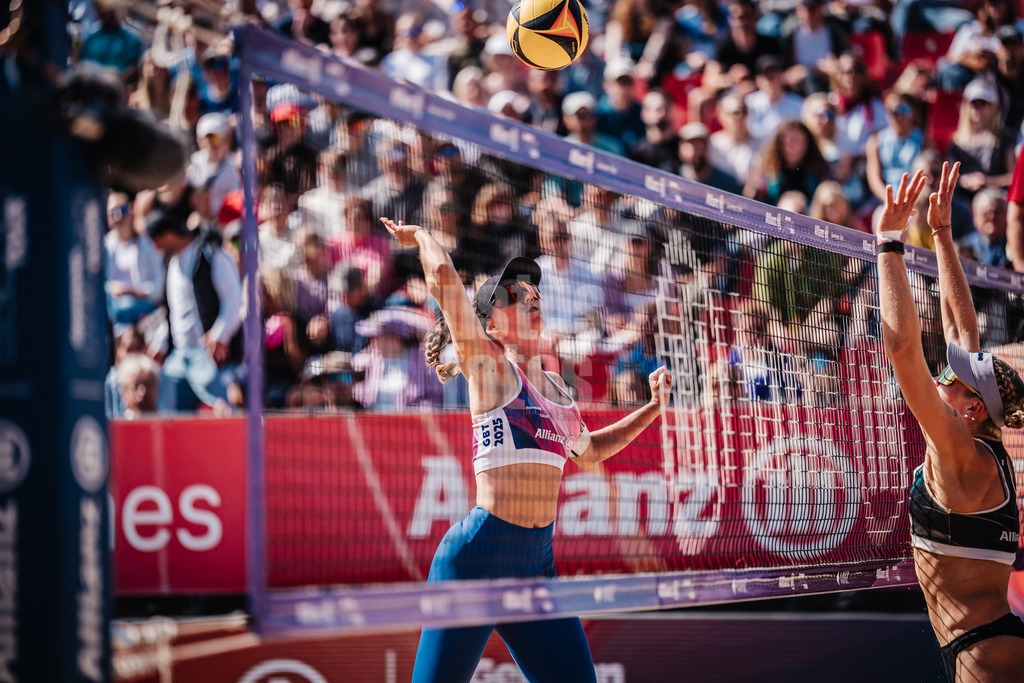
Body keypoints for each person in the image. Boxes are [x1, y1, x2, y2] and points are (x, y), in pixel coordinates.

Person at [380, 217, 672, 683]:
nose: (531, 298)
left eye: (533, 294)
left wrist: (652, 410)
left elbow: (590, 452)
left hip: (536, 565)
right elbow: (442, 281)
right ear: (491, 324)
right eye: (514, 295)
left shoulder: (555, 388)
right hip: (476, 558)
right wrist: (422, 237)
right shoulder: (491, 369)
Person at [877, 163, 1024, 682]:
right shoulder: (985, 447)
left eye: (951, 379)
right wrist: (941, 233)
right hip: (989, 640)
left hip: (984, 650)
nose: (942, 376)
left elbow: (901, 348)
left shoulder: (958, 449)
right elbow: (962, 331)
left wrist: (889, 244)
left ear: (973, 407)